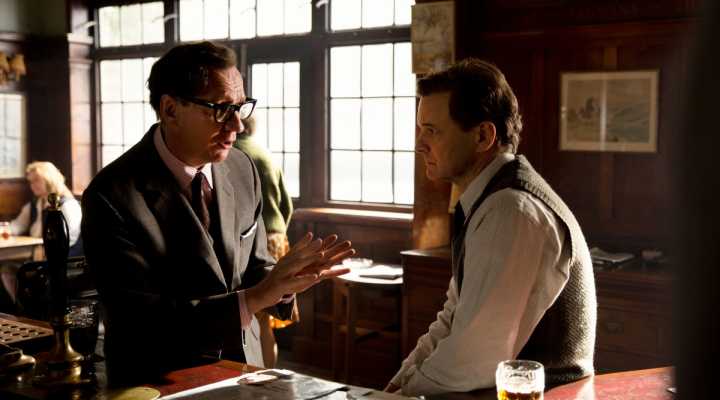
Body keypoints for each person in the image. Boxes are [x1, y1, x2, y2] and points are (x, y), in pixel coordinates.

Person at [81, 41, 354, 383]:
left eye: (240, 108)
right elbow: (142, 320)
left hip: (246, 371)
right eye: (222, 109)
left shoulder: (242, 168)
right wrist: (254, 298)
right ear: (170, 110)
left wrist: (284, 280)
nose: (237, 126)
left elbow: (253, 267)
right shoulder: (111, 195)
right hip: (160, 382)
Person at [386, 59, 596, 396]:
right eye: (420, 128)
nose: (419, 143)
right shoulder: (490, 201)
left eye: (432, 130)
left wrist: (401, 396)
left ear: (483, 135)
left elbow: (471, 359)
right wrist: (398, 384)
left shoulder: (511, 211)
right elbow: (452, 318)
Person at [234, 115, 296, 368]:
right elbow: (287, 205)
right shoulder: (265, 154)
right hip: (278, 237)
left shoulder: (233, 154)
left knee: (256, 316)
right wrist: (278, 232)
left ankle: (261, 374)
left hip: (252, 238)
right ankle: (270, 372)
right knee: (268, 319)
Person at [1, 161, 82, 304]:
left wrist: (45, 250)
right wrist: (4, 229)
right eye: (30, 182)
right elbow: (16, 226)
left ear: (49, 179)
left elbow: (68, 240)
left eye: (36, 181)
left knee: (24, 271)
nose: (32, 185)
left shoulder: (68, 205)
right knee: (6, 269)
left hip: (62, 259)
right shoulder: (35, 204)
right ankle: (22, 307)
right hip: (36, 254)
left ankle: (31, 307)